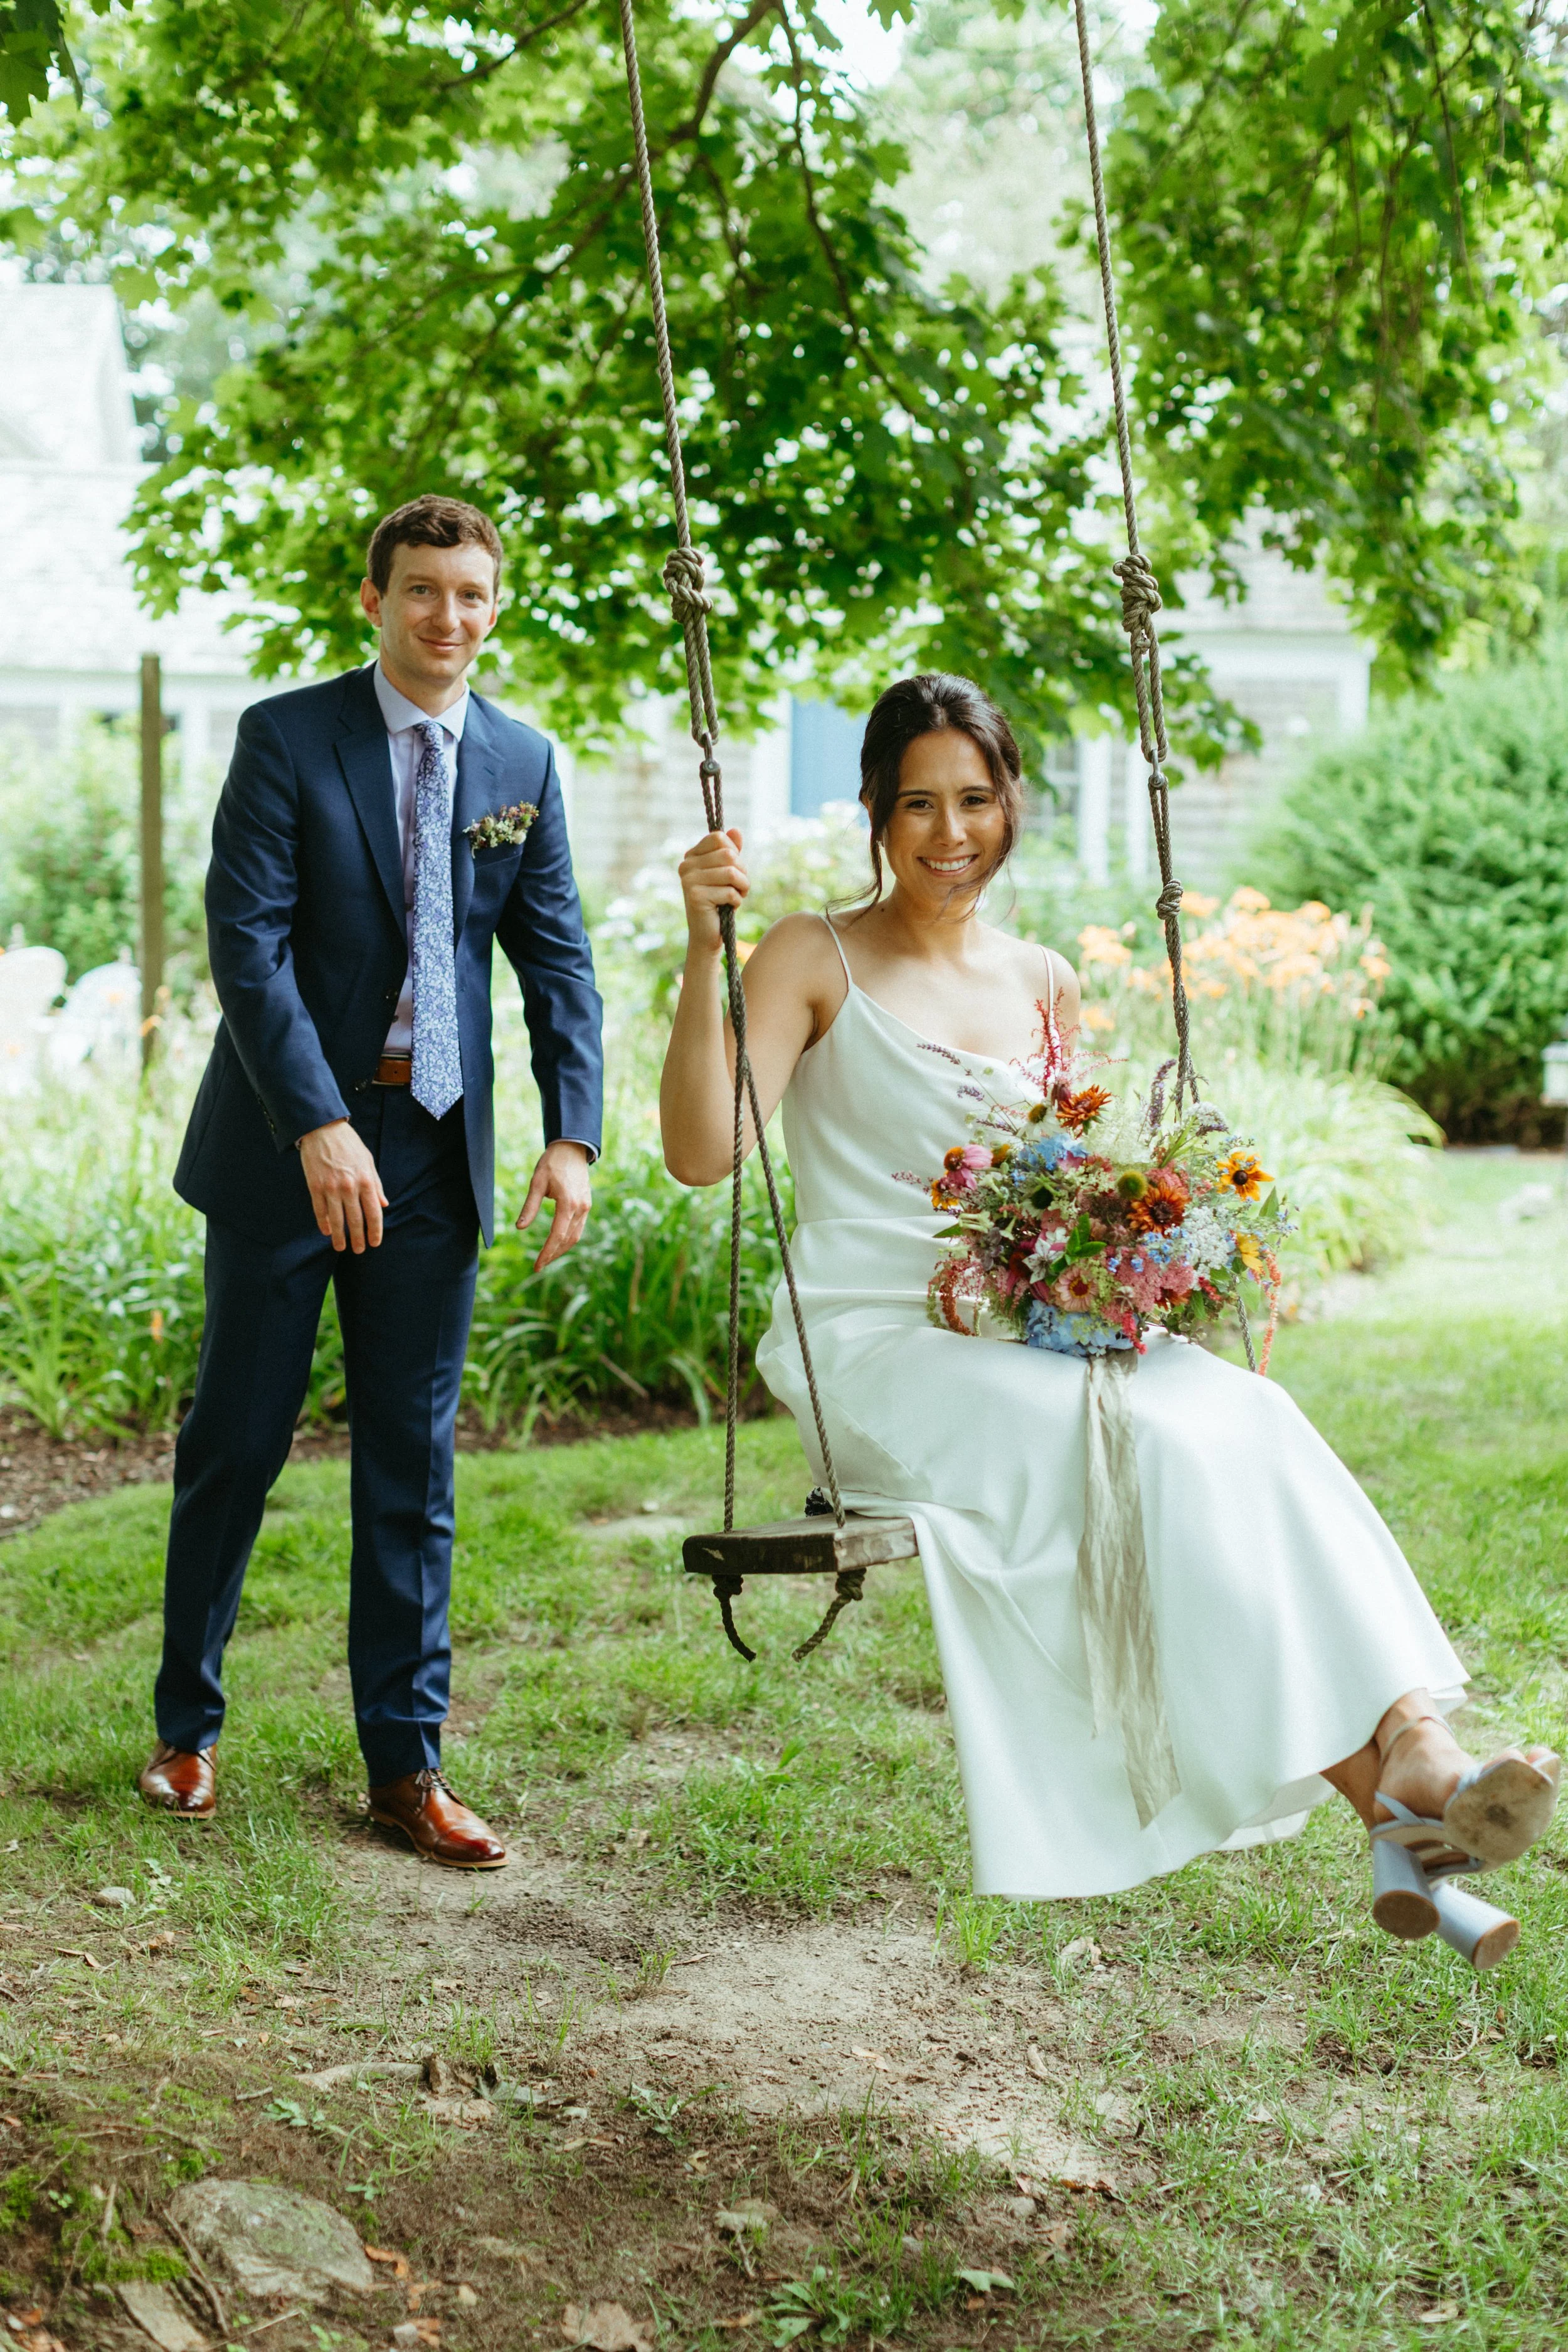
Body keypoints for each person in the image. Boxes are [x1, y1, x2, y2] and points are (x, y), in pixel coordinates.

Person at [659, 670, 1559, 1969]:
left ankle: (1408, 1767)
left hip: (1027, 1324)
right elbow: (702, 1152)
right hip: (874, 1336)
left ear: (1012, 802)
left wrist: (1130, 1258)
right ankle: (1404, 1782)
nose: (948, 831)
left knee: (1241, 1413)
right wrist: (706, 950)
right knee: (1153, 1451)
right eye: (916, 803)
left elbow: (1071, 1180)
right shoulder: (813, 952)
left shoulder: (1042, 980)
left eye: (974, 798)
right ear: (872, 808)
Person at [139, 494, 603, 1869]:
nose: (445, 618)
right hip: (291, 1153)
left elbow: (557, 960)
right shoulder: (286, 738)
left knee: (413, 1467)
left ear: (493, 604)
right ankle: (185, 1731)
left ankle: (406, 1769)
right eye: (420, 591)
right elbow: (249, 945)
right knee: (238, 1438)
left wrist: (570, 1135)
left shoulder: (519, 758)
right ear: (374, 599)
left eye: (468, 594)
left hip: (436, 1154)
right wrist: (318, 1123)